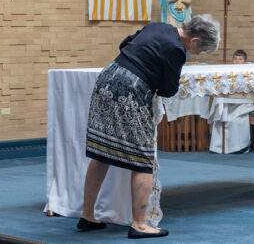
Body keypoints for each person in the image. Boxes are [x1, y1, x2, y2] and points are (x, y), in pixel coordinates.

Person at [79, 15, 220, 238]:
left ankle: (87, 215)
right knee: (143, 158)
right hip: (130, 91)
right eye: (199, 51)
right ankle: (140, 223)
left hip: (108, 77)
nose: (195, 54)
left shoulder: (159, 26)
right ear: (194, 41)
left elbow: (125, 44)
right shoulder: (177, 49)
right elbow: (168, 89)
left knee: (101, 151)